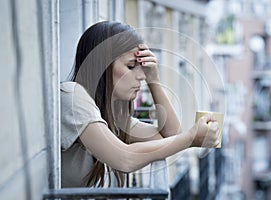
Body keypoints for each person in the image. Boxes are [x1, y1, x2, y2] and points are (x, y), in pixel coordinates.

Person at [60, 21, 219, 188]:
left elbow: (170, 137)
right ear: (101, 65)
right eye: (131, 66)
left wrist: (153, 80)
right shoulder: (72, 96)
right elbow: (124, 158)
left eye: (142, 68)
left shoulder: (112, 118)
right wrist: (191, 137)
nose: (141, 76)